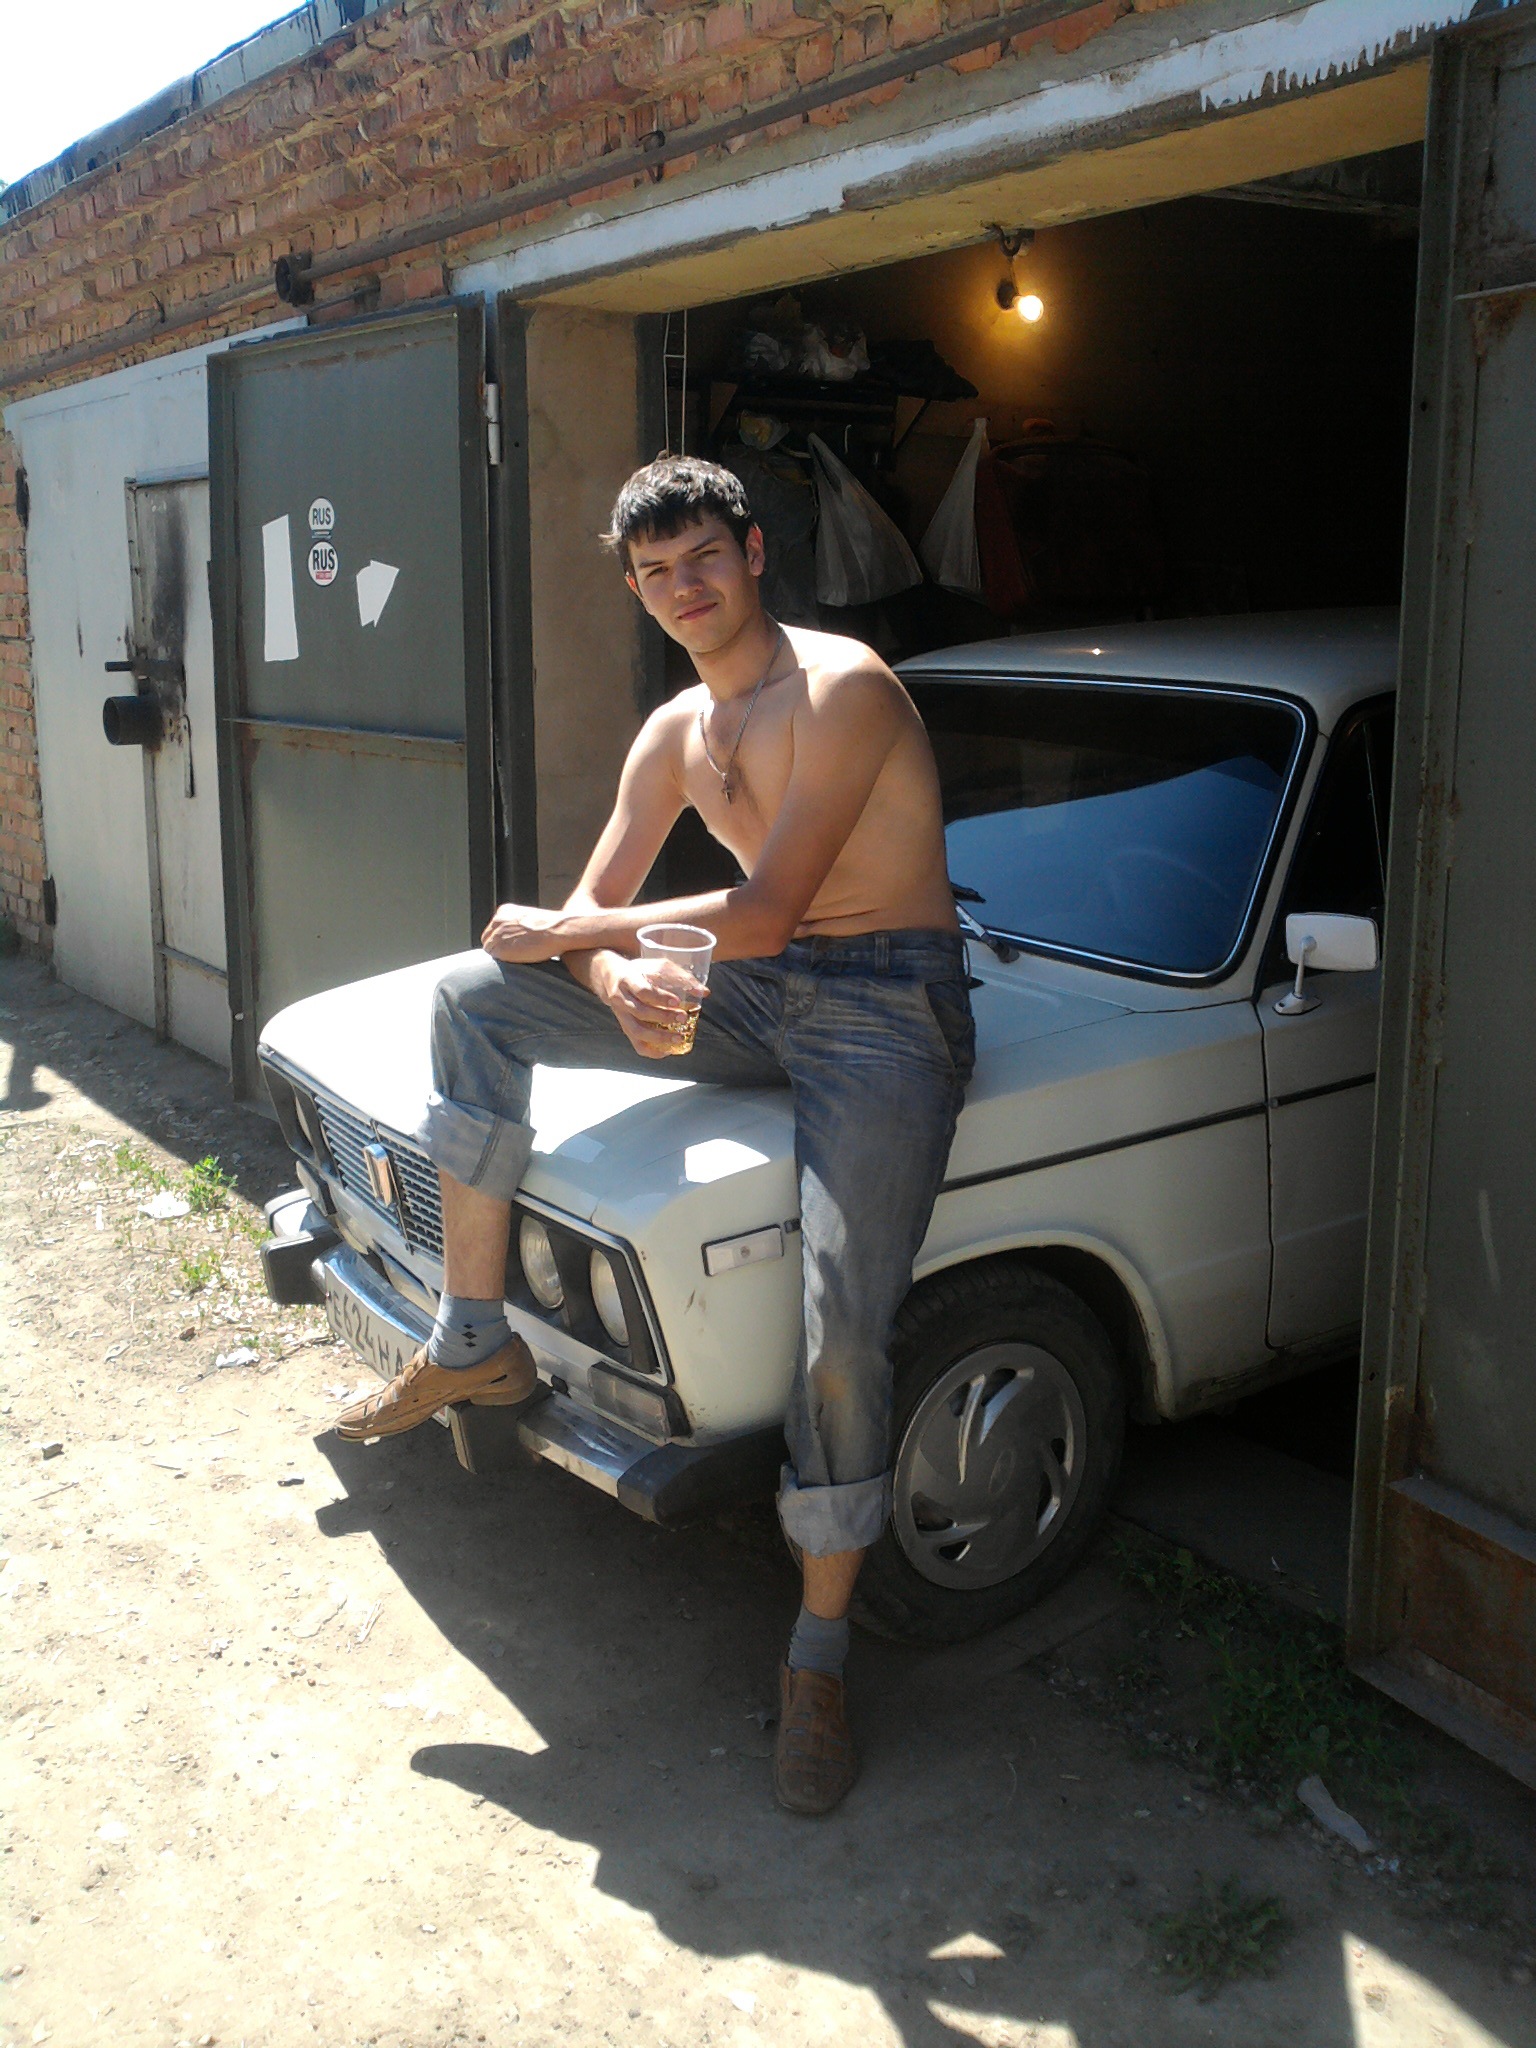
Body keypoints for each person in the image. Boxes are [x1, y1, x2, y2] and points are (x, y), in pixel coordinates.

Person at [332, 455, 974, 1814]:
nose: (686, 589)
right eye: (656, 572)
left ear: (753, 552)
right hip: (762, 992)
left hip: (886, 1000)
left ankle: (817, 1661)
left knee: (842, 1327)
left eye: (704, 558)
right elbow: (592, 915)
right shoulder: (677, 728)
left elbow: (767, 910)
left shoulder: (845, 686)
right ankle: (473, 1338)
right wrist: (612, 976)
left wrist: (580, 935)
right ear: (634, 590)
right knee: (472, 998)